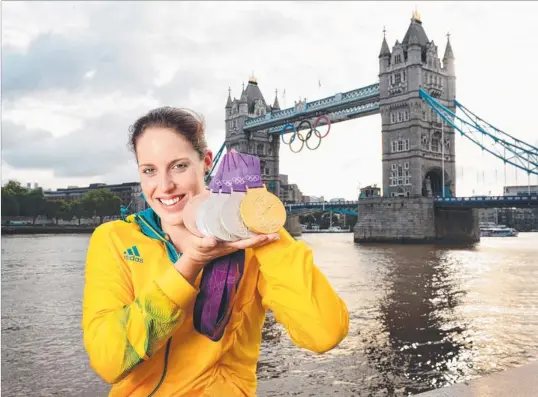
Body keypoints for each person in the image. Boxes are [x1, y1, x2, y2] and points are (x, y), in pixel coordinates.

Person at [82, 107, 349, 397]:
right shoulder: (114, 239)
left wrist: (258, 216)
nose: (164, 186)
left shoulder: (251, 247)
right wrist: (191, 263)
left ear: (206, 162)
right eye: (149, 170)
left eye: (179, 166)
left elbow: (324, 333)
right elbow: (109, 361)